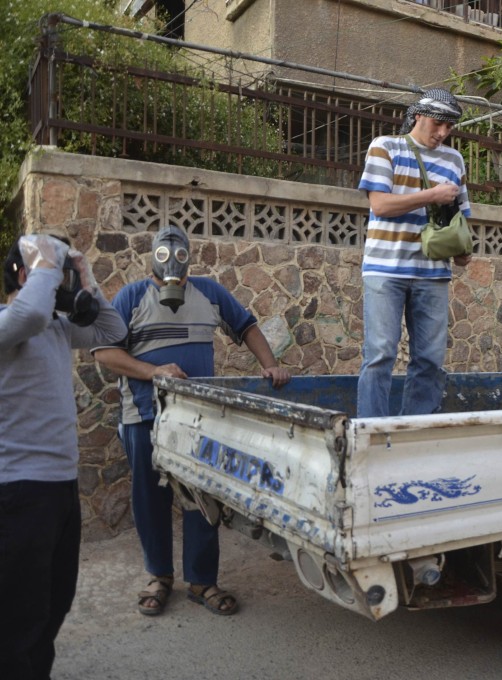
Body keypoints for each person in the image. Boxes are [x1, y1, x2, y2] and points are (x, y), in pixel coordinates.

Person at [92, 225, 290, 617]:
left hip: (199, 418)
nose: (172, 262)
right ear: (152, 257)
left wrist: (270, 365)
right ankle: (159, 577)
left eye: (179, 255)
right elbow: (104, 352)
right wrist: (153, 372)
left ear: (189, 257)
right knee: (150, 499)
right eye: (164, 255)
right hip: (144, 415)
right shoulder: (131, 297)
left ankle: (202, 581)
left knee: (202, 497)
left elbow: (247, 326)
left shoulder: (209, 293)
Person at [0, 234, 127, 680]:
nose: (62, 280)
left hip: (60, 490)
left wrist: (87, 278)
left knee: (54, 603)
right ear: (24, 274)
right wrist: (45, 260)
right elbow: (30, 312)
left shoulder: (57, 328)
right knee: (18, 616)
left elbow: (113, 332)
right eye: (55, 273)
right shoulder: (6, 324)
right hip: (17, 493)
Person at [356, 88, 472, 418]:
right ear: (418, 116)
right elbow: (380, 205)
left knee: (430, 360)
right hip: (385, 269)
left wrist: (463, 249)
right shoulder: (385, 147)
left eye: (449, 127)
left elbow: (462, 215)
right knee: (380, 354)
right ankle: (371, 430)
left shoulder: (454, 160)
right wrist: (430, 195)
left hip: (433, 273)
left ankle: (416, 430)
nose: (443, 133)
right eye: (438, 124)